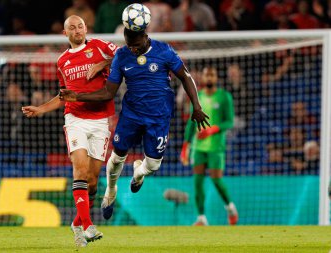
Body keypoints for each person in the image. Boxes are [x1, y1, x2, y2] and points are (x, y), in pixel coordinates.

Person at [59, 27, 210, 221]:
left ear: (145, 38)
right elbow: (108, 93)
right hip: (132, 115)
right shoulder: (122, 55)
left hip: (159, 117)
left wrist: (196, 106)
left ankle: (139, 173)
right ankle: (110, 192)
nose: (133, 50)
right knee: (116, 156)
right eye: (129, 46)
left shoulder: (164, 51)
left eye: (136, 46)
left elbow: (185, 76)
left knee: (153, 166)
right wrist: (78, 96)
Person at [21, 15, 118, 248]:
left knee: (93, 182)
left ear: (86, 28)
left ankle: (76, 223)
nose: (77, 30)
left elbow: (126, 57)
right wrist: (41, 109)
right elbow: (63, 96)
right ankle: (87, 225)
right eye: (72, 28)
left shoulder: (100, 47)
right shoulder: (62, 61)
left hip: (101, 120)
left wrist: (103, 64)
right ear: (65, 33)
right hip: (75, 119)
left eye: (80, 26)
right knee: (80, 170)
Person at [180, 66, 238, 226]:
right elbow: (191, 123)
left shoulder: (224, 97)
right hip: (198, 148)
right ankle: (201, 217)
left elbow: (230, 121)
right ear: (203, 78)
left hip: (216, 148)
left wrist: (212, 130)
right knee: (197, 182)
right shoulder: (197, 97)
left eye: (212, 75)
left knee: (216, 180)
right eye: (207, 75)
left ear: (216, 78)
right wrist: (186, 145)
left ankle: (230, 207)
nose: (209, 78)